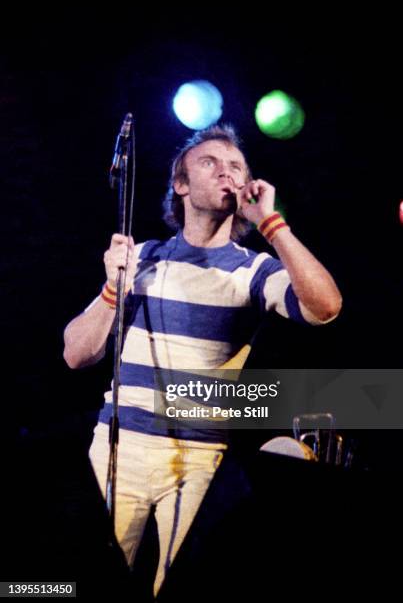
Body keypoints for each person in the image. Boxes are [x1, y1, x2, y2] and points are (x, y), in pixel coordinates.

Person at [63, 124, 342, 595]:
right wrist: (113, 287)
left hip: (198, 456)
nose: (226, 172)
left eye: (236, 166)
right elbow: (76, 354)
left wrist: (272, 225)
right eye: (209, 163)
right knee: (80, 584)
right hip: (119, 446)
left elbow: (325, 307)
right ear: (181, 185)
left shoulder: (254, 270)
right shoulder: (143, 259)